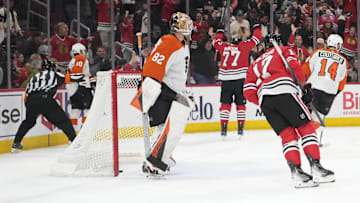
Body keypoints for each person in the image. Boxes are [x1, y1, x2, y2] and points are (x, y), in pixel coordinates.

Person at [243, 34, 335, 188]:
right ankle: (316, 167)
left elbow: (247, 90)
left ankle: (297, 173)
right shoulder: (283, 50)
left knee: (288, 135)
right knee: (306, 127)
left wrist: (263, 100)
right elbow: (294, 65)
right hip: (284, 90)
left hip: (265, 100)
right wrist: (305, 87)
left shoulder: (254, 64)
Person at [140, 12, 194, 177]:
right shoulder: (169, 42)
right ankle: (153, 162)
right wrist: (149, 90)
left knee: (167, 126)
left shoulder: (181, 43)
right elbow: (153, 67)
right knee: (169, 126)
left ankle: (160, 155)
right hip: (160, 90)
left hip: (170, 90)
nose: (189, 28)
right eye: (185, 24)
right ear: (176, 27)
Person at [12, 59, 88, 152]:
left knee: (29, 122)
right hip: (45, 98)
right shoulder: (53, 74)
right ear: (52, 68)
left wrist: (30, 106)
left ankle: (16, 143)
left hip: (30, 100)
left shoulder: (35, 77)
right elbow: (71, 78)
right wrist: (84, 75)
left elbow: (26, 93)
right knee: (64, 121)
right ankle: (74, 141)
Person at [212, 23, 261, 138]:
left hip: (226, 81)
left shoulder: (223, 46)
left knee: (225, 104)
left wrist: (219, 31)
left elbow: (215, 42)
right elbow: (257, 38)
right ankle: (240, 130)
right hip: (240, 80)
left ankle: (223, 130)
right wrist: (257, 26)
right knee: (240, 104)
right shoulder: (244, 46)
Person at [302, 34, 348, 131]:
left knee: (305, 113)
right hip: (329, 93)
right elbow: (342, 83)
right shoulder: (344, 61)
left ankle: (304, 135)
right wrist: (335, 93)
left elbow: (305, 70)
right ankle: (314, 138)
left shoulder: (318, 52)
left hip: (314, 88)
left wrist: (302, 82)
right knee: (318, 117)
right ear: (338, 45)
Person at [67, 43, 94, 128]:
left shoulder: (73, 60)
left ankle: (73, 137)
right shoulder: (80, 59)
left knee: (75, 111)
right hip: (82, 88)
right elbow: (77, 72)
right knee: (88, 110)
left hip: (73, 90)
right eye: (84, 51)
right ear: (80, 51)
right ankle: (85, 132)